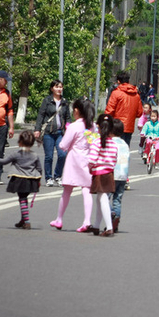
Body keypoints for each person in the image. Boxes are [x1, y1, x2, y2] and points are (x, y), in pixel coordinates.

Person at [50, 99, 96, 232]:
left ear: (76, 110)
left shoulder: (74, 126)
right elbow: (94, 143)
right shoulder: (92, 126)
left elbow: (63, 145)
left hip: (74, 160)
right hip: (88, 160)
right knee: (86, 190)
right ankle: (87, 220)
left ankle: (59, 219)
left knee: (67, 191)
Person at [0, 130, 42, 229]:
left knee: (22, 199)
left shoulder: (16, 154)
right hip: (31, 180)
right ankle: (23, 219)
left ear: (20, 142)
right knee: (24, 199)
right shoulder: (34, 155)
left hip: (19, 180)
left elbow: (4, 161)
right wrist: (39, 179)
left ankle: (26, 221)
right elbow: (39, 168)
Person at [34, 80, 70, 187]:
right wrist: (37, 129)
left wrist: (69, 129)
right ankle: (49, 178)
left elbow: (68, 117)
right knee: (49, 156)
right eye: (56, 87)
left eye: (60, 87)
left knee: (62, 154)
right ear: (52, 89)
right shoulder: (47, 101)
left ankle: (58, 176)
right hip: (48, 133)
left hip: (60, 132)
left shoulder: (64, 102)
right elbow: (41, 115)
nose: (59, 89)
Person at [87, 114, 117, 236]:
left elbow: (92, 159)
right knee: (100, 198)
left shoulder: (96, 142)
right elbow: (114, 160)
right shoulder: (113, 144)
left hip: (99, 174)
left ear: (98, 127)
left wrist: (90, 168)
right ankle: (96, 225)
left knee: (102, 198)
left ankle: (109, 227)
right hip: (109, 173)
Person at [105, 71, 143, 146]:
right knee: (125, 150)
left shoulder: (116, 93)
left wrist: (105, 121)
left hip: (117, 126)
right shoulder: (136, 94)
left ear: (118, 81)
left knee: (116, 150)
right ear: (128, 81)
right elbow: (139, 113)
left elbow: (110, 110)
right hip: (129, 126)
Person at [110, 119, 130, 233]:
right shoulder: (125, 144)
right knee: (117, 199)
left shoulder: (111, 143)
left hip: (112, 175)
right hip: (123, 176)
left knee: (104, 198)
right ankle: (116, 222)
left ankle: (111, 215)